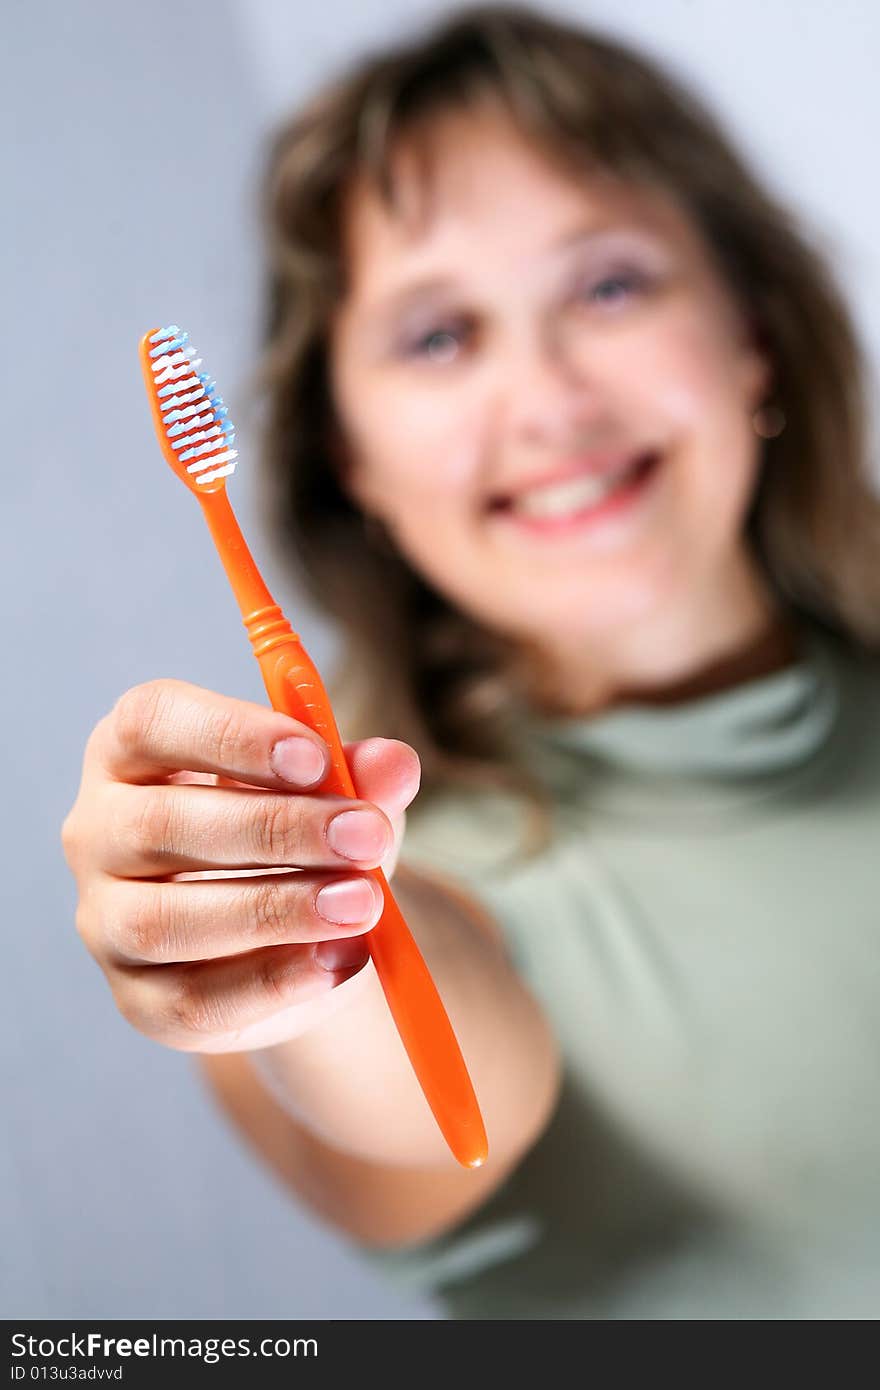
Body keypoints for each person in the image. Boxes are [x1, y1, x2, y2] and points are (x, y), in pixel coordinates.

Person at [61, 4, 880, 1318]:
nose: (550, 399)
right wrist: (293, 935)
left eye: (609, 285)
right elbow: (410, 1061)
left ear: (753, 335)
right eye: (439, 336)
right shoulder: (423, 867)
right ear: (355, 459)